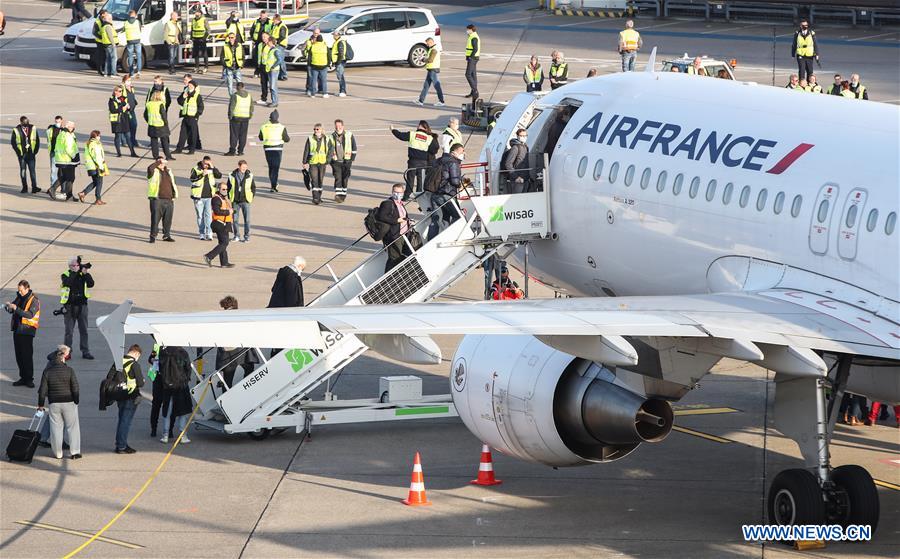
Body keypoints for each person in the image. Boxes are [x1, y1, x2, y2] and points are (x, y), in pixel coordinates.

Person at [37, 345, 81, 460]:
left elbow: (42, 391)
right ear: (62, 358)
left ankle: (58, 453)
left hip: (54, 403)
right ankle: (75, 452)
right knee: (73, 427)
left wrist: (41, 405)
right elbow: (75, 388)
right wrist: (76, 401)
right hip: (69, 402)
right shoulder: (69, 370)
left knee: (56, 429)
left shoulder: (47, 371)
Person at [391, 120, 438, 201]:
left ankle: (406, 196)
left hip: (413, 161)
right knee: (420, 180)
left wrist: (393, 130)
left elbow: (401, 136)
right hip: (423, 162)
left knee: (410, 180)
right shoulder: (429, 138)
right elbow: (434, 149)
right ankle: (418, 197)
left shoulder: (412, 134)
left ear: (420, 126)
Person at [58, 256, 95, 358]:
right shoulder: (65, 275)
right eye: (73, 265)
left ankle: (85, 351)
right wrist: (76, 273)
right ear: (69, 266)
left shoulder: (83, 274)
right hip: (69, 306)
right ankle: (67, 352)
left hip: (82, 306)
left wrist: (85, 273)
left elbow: (91, 284)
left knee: (84, 330)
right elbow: (68, 283)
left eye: (77, 265)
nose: (76, 267)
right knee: (69, 331)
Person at [6, 280, 40, 388]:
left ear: (27, 288)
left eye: (21, 290)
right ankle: (23, 377)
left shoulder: (34, 300)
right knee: (19, 356)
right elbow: (14, 310)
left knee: (27, 356)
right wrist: (9, 307)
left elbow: (29, 314)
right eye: (18, 290)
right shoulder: (19, 297)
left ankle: (29, 379)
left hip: (27, 331)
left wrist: (16, 309)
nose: (19, 292)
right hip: (17, 330)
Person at [156, 345, 192, 444]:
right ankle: (182, 435)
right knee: (182, 412)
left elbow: (160, 367)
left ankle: (165, 435)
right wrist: (186, 379)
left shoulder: (163, 353)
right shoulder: (182, 352)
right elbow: (188, 368)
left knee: (167, 411)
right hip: (180, 386)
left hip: (167, 386)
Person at [115, 344, 145, 454]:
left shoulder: (119, 361)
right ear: (136, 353)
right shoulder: (134, 364)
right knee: (126, 421)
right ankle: (122, 446)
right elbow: (140, 383)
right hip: (130, 396)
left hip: (119, 395)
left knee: (121, 420)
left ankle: (120, 443)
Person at [377, 184, 413, 273]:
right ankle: (387, 279)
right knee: (394, 258)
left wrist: (408, 221)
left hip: (403, 234)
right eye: (395, 192)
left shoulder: (400, 203)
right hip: (394, 235)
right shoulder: (387, 203)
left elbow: (403, 216)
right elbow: (381, 217)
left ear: (403, 193)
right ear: (392, 192)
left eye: (399, 192)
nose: (397, 194)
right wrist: (396, 220)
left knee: (403, 256)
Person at [432, 143, 464, 230]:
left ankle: (432, 238)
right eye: (461, 152)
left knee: (437, 220)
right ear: (454, 152)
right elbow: (454, 181)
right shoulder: (453, 163)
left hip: (434, 193)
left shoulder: (438, 160)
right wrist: (460, 184)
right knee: (458, 217)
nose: (463, 154)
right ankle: (453, 236)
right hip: (447, 194)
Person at [189, 155, 221, 240]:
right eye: (205, 163)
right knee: (200, 216)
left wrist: (212, 167)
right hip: (198, 197)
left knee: (209, 215)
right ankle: (202, 233)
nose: (206, 165)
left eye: (208, 164)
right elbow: (192, 179)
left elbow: (219, 176)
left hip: (209, 197)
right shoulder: (196, 169)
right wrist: (202, 175)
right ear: (202, 162)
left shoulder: (212, 169)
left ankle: (209, 233)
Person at [147, 156, 177, 243]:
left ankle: (166, 235)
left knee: (168, 219)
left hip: (169, 199)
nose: (161, 163)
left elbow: (172, 183)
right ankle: (153, 236)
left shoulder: (169, 171)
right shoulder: (153, 171)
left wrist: (173, 195)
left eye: (162, 162)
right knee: (155, 219)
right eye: (159, 162)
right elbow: (150, 167)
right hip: (157, 199)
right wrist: (158, 162)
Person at [205, 184, 235, 268]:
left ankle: (224, 262)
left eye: (226, 189)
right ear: (219, 189)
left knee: (222, 243)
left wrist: (232, 211)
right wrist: (228, 212)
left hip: (225, 223)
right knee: (225, 242)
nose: (225, 190)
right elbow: (217, 211)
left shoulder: (224, 198)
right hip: (220, 223)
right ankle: (209, 256)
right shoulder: (216, 198)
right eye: (223, 189)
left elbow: (227, 209)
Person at [215, 297, 243, 385]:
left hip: (226, 354)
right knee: (249, 368)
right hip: (233, 352)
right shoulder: (237, 317)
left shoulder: (224, 317)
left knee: (227, 380)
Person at [259, 110, 290, 192]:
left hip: (267, 149)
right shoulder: (281, 127)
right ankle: (273, 185)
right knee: (275, 168)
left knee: (271, 167)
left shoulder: (264, 126)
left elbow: (260, 137)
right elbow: (287, 139)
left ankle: (273, 183)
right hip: (277, 149)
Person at [227, 160, 256, 242]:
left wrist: (251, 196)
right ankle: (236, 236)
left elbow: (253, 187)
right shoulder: (231, 175)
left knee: (247, 220)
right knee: (235, 219)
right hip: (235, 201)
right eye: (243, 167)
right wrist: (230, 196)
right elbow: (229, 186)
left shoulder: (250, 175)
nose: (244, 169)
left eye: (245, 167)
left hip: (245, 200)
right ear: (239, 166)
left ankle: (246, 236)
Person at [11, 115, 40, 194]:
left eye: (27, 123)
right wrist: (18, 153)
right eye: (24, 123)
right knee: (23, 171)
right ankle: (25, 187)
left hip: (31, 154)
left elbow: (37, 140)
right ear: (21, 123)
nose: (26, 125)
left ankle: (34, 187)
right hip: (22, 155)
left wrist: (35, 151)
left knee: (32, 171)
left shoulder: (33, 128)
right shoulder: (16, 130)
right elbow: (13, 143)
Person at [329, 119, 356, 203]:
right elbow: (328, 149)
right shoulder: (331, 136)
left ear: (343, 126)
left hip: (347, 161)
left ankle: (343, 195)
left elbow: (354, 147)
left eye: (339, 126)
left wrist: (352, 158)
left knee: (345, 178)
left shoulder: (349, 135)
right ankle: (338, 195)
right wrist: (330, 160)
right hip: (336, 161)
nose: (338, 128)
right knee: (337, 178)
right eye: (336, 126)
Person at [303, 124, 330, 205]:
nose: (316, 131)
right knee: (314, 180)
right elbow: (306, 150)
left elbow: (331, 150)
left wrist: (328, 160)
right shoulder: (310, 139)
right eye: (314, 129)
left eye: (317, 129)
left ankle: (319, 197)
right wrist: (304, 162)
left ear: (321, 130)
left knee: (320, 180)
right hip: (313, 162)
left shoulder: (327, 139)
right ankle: (315, 198)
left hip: (322, 162)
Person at [79, 130, 108, 205]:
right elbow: (96, 156)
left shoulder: (89, 143)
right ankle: (98, 199)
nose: (99, 137)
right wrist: (101, 166)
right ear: (95, 136)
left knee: (95, 182)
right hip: (96, 166)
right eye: (98, 136)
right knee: (99, 183)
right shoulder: (94, 144)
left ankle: (83, 193)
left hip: (90, 166)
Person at [52, 121, 79, 202]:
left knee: (65, 177)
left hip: (61, 159)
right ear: (69, 127)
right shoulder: (68, 135)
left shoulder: (61, 134)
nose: (74, 129)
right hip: (67, 160)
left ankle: (69, 194)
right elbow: (69, 148)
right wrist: (74, 156)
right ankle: (54, 189)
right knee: (70, 178)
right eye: (73, 127)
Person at [175, 80, 203, 154]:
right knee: (182, 134)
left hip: (193, 117)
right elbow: (179, 101)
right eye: (189, 85)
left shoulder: (197, 95)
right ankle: (179, 149)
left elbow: (201, 106)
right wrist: (183, 97)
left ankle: (192, 149)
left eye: (191, 85)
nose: (189, 86)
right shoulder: (185, 93)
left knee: (193, 134)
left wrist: (197, 115)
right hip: (185, 116)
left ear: (194, 87)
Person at [109, 85, 137, 157]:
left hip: (124, 120)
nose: (121, 93)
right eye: (119, 91)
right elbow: (113, 110)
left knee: (128, 136)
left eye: (121, 91)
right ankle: (119, 153)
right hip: (117, 121)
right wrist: (122, 108)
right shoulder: (111, 100)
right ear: (115, 92)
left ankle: (132, 152)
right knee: (118, 136)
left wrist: (128, 107)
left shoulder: (123, 98)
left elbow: (126, 107)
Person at [145, 90, 174, 160]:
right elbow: (163, 115)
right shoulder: (160, 104)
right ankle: (168, 155)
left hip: (152, 125)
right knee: (164, 141)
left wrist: (149, 121)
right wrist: (166, 123)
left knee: (154, 142)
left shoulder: (149, 104)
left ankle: (155, 156)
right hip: (161, 125)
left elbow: (145, 115)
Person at [226, 82, 253, 156]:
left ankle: (232, 151)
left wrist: (230, 116)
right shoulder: (249, 96)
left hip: (236, 118)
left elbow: (231, 107)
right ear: (244, 87)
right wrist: (250, 115)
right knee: (243, 135)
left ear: (236, 88)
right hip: (245, 118)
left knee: (234, 135)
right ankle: (240, 151)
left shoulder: (235, 96)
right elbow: (251, 107)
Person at [416, 37, 444, 106]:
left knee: (437, 86)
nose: (427, 45)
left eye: (428, 44)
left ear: (431, 42)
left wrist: (422, 59)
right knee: (426, 85)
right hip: (431, 69)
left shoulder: (434, 49)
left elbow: (430, 60)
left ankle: (441, 101)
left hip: (433, 69)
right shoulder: (432, 48)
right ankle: (420, 101)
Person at [501, 128, 529, 194]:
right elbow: (508, 164)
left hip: (525, 179)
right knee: (517, 199)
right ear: (517, 136)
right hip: (517, 180)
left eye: (525, 136)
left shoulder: (525, 147)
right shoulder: (515, 148)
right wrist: (516, 177)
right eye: (521, 136)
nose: (523, 137)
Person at [222, 32, 244, 97]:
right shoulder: (225, 46)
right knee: (230, 84)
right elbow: (222, 57)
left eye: (232, 37)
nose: (231, 39)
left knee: (239, 83)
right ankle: (232, 97)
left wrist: (242, 64)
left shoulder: (239, 45)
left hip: (237, 67)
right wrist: (225, 65)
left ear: (235, 38)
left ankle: (240, 95)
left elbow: (243, 55)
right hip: (229, 67)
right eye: (229, 38)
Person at [122, 75, 141, 150]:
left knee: (134, 125)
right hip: (125, 111)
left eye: (130, 80)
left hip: (132, 110)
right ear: (124, 82)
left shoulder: (132, 88)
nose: (129, 82)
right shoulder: (121, 88)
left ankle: (133, 139)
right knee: (126, 126)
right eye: (127, 81)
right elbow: (119, 98)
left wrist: (134, 102)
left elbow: (132, 97)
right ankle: (124, 141)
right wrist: (125, 104)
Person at [46, 115, 63, 192]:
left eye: (59, 122)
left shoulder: (63, 130)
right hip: (53, 152)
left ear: (62, 121)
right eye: (56, 122)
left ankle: (62, 188)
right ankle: (52, 188)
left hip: (61, 154)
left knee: (62, 172)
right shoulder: (51, 129)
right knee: (53, 171)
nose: (57, 123)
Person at [255, 32, 272, 106]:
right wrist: (258, 66)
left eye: (265, 37)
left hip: (269, 66)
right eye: (263, 37)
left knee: (272, 84)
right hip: (262, 65)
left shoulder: (270, 45)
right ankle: (263, 98)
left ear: (268, 37)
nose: (264, 38)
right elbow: (259, 56)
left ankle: (274, 99)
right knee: (263, 83)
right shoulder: (260, 45)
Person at [190, 8, 210, 73]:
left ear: (200, 13)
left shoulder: (204, 19)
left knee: (204, 53)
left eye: (197, 12)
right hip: (195, 39)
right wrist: (191, 37)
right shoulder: (193, 20)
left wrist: (204, 38)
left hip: (202, 39)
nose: (196, 13)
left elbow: (208, 30)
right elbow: (192, 29)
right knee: (195, 54)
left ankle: (206, 67)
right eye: (195, 12)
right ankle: (196, 67)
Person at [123, 10, 142, 77]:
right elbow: (140, 29)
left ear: (129, 15)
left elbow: (123, 30)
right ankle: (139, 71)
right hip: (137, 40)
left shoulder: (125, 22)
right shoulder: (137, 22)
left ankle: (131, 73)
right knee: (139, 56)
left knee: (130, 57)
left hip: (129, 41)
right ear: (135, 15)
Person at [303, 27, 321, 95]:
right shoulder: (308, 40)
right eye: (315, 33)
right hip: (310, 60)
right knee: (310, 76)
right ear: (313, 33)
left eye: (317, 33)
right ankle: (309, 89)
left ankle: (320, 89)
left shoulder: (321, 40)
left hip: (318, 60)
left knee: (319, 76)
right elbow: (303, 48)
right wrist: (306, 56)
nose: (316, 34)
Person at [270, 13, 289, 80]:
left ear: (277, 19)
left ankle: (284, 75)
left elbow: (282, 37)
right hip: (276, 44)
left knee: (280, 60)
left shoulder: (282, 26)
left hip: (280, 45)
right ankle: (281, 75)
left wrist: (275, 42)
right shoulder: (276, 25)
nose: (273, 20)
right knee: (279, 59)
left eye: (273, 19)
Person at [264, 35, 282, 106]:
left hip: (274, 71)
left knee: (273, 86)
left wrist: (273, 66)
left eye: (268, 41)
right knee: (272, 86)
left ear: (271, 42)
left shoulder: (275, 50)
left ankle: (275, 102)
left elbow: (279, 60)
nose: (267, 42)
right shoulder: (271, 49)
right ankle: (273, 101)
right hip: (270, 70)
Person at [100, 12, 119, 78]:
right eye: (110, 18)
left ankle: (106, 72)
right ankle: (113, 73)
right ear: (107, 19)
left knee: (108, 59)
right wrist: (113, 44)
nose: (111, 19)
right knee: (114, 58)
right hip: (110, 44)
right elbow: (110, 36)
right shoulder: (108, 26)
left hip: (105, 44)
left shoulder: (103, 26)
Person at [464, 24, 480, 99]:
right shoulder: (472, 36)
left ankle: (475, 90)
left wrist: (470, 57)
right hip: (472, 58)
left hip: (473, 58)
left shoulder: (474, 37)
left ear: (471, 29)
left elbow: (475, 49)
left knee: (468, 74)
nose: (467, 31)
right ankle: (473, 92)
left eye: (468, 29)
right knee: (473, 75)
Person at [331, 31, 349, 97]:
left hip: (340, 61)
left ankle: (343, 91)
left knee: (340, 76)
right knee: (340, 76)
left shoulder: (340, 42)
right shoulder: (338, 41)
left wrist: (338, 62)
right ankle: (342, 90)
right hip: (339, 61)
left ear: (337, 35)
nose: (333, 36)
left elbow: (341, 53)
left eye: (334, 35)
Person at [92, 10, 108, 77]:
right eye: (106, 14)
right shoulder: (97, 22)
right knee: (100, 56)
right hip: (99, 41)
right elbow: (94, 32)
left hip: (103, 41)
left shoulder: (103, 20)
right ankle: (99, 70)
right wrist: (101, 37)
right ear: (102, 14)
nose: (107, 15)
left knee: (103, 56)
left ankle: (103, 69)